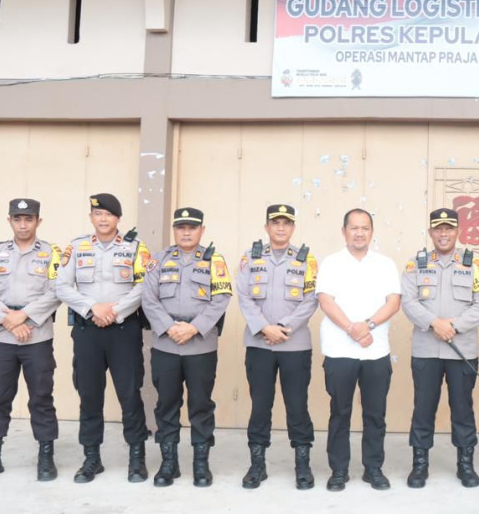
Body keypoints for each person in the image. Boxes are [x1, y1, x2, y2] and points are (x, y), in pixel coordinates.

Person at [55, 193, 151, 483]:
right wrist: (90, 308)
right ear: (91, 218)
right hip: (88, 331)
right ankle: (91, 458)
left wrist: (115, 311)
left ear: (118, 218)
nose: (103, 219)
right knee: (89, 395)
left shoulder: (136, 248)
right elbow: (60, 285)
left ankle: (137, 458)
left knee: (130, 394)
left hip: (123, 331)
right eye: (98, 214)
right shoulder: (75, 247)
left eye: (109, 214)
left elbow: (144, 285)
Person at [0, 198, 62, 483]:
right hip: (2, 338)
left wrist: (26, 318)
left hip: (37, 337)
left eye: (29, 219)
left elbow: (57, 291)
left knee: (42, 399)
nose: (23, 224)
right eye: (18, 219)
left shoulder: (50, 254)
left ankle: (46, 456)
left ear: (38, 221)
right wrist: (9, 321)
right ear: (9, 220)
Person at [401, 208, 479, 488]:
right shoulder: (415, 264)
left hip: (461, 351)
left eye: (449, 229)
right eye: (438, 229)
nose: (443, 234)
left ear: (457, 232)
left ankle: (465, 464)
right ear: (431, 232)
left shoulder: (474, 264)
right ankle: (420, 464)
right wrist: (434, 323)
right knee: (423, 408)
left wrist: (453, 326)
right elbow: (408, 301)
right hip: (426, 350)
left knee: (463, 408)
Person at [142, 207, 232, 487]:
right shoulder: (158, 260)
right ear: (175, 230)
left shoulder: (214, 261)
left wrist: (194, 327)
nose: (186, 232)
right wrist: (170, 327)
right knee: (166, 404)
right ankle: (169, 463)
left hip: (200, 345)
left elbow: (222, 297)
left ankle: (201, 464)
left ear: (201, 231)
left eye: (192, 228)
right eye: (181, 227)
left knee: (201, 405)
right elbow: (148, 298)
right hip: (166, 344)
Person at [316, 209, 402, 491]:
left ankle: (373, 468)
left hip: (375, 351)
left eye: (365, 228)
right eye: (354, 228)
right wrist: (352, 329)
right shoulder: (330, 263)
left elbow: (393, 302)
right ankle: (338, 470)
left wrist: (367, 325)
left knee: (375, 413)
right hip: (339, 351)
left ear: (372, 232)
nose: (359, 233)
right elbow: (326, 301)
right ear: (344, 232)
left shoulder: (385, 264)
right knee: (339, 412)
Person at [237, 204, 319, 490]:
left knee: (297, 405)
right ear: (267, 227)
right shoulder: (250, 258)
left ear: (293, 228)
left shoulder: (306, 260)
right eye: (276, 223)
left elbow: (311, 299)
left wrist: (283, 327)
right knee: (260, 406)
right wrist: (264, 328)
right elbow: (244, 297)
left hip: (294, 345)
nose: (281, 228)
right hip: (259, 344)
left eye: (286, 223)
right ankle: (257, 464)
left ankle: (302, 464)